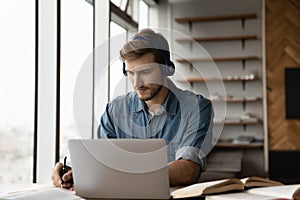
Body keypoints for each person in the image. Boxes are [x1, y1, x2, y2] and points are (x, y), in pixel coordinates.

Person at [52, 28, 214, 189]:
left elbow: (187, 171)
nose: (137, 83)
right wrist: (76, 173)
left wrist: (119, 175)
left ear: (166, 69)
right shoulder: (114, 110)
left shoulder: (197, 108)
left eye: (145, 72)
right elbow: (102, 163)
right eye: (130, 73)